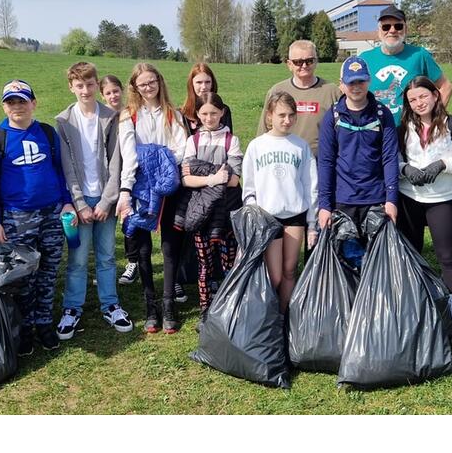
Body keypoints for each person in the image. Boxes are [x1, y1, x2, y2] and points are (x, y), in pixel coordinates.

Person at [0, 80, 76, 357]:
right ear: (4, 107)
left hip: (52, 213)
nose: (17, 107)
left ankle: (44, 322)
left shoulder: (46, 132)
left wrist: (67, 202)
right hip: (17, 217)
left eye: (22, 101)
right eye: (11, 102)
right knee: (23, 276)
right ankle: (25, 328)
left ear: (33, 103)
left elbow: (59, 171)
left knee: (48, 271)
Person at [396, 76, 452, 343]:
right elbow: (393, 160)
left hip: (442, 199)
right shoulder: (402, 127)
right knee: (411, 255)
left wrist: (444, 164)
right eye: (412, 99)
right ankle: (412, 309)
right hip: (409, 197)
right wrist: (405, 170)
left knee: (447, 256)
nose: (419, 103)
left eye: (423, 96)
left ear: (435, 95)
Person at [55, 62, 132, 338]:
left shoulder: (110, 117)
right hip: (80, 202)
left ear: (96, 85)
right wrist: (80, 204)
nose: (85, 90)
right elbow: (67, 167)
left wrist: (106, 201)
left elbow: (116, 162)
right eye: (79, 86)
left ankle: (110, 304)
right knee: (77, 258)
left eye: (89, 85)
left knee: (107, 255)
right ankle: (72, 308)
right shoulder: (63, 121)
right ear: (71, 87)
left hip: (104, 199)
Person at [116, 63, 188, 334]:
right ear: (135, 87)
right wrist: (126, 189)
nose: (148, 88)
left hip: (167, 184)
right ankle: (150, 306)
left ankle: (168, 305)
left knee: (169, 245)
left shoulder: (173, 113)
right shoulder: (129, 115)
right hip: (140, 186)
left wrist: (160, 159)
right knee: (143, 247)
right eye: (142, 84)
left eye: (152, 82)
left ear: (159, 82)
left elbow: (182, 148)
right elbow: (129, 154)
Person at [317, 56, 399, 266]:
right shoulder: (332, 117)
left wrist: (391, 200)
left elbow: (390, 158)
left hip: (376, 199)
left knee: (377, 261)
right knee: (348, 260)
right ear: (342, 84)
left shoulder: (382, 114)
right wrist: (324, 205)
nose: (356, 87)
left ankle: (373, 289)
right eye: (351, 82)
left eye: (361, 81)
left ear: (369, 81)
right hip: (343, 200)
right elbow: (326, 162)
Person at [243, 92, 318, 311]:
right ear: (270, 115)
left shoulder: (300, 146)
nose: (287, 120)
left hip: (295, 215)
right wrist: (253, 212)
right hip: (268, 217)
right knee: (274, 275)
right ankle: (268, 316)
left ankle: (284, 317)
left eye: (291, 115)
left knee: (290, 270)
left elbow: (310, 185)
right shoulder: (257, 146)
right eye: (281, 115)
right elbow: (249, 185)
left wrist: (312, 224)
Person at [179, 93, 243, 322]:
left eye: (214, 113)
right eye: (204, 113)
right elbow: (186, 179)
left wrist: (201, 171)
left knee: (229, 263)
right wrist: (214, 177)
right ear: (197, 114)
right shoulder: (192, 141)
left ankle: (229, 307)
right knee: (204, 263)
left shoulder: (231, 140)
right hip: (202, 213)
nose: (209, 118)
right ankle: (205, 308)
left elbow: (233, 179)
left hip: (225, 212)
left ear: (222, 112)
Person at [363, 6, 452, 124]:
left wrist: (433, 120)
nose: (392, 30)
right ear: (379, 31)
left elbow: (446, 86)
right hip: (375, 130)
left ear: (406, 29)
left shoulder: (420, 55)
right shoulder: (364, 59)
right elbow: (346, 90)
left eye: (398, 26)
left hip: (411, 131)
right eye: (386, 27)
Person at [256, 40, 338, 154]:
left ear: (316, 62)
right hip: (284, 159)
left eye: (309, 61)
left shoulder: (332, 91)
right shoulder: (277, 91)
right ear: (289, 64)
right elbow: (264, 130)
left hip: (321, 160)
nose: (304, 66)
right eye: (298, 62)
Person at [103, 74, 142, 288]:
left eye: (115, 91)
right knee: (109, 224)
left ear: (122, 90)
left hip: (130, 173)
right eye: (108, 93)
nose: (113, 96)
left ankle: (133, 262)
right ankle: (106, 267)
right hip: (109, 176)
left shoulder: (130, 113)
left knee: (130, 219)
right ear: (103, 95)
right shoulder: (102, 116)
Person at [181, 63, 233, 133]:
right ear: (192, 84)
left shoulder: (223, 110)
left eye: (207, 82)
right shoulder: (183, 113)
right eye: (199, 82)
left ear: (212, 84)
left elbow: (228, 137)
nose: (204, 87)